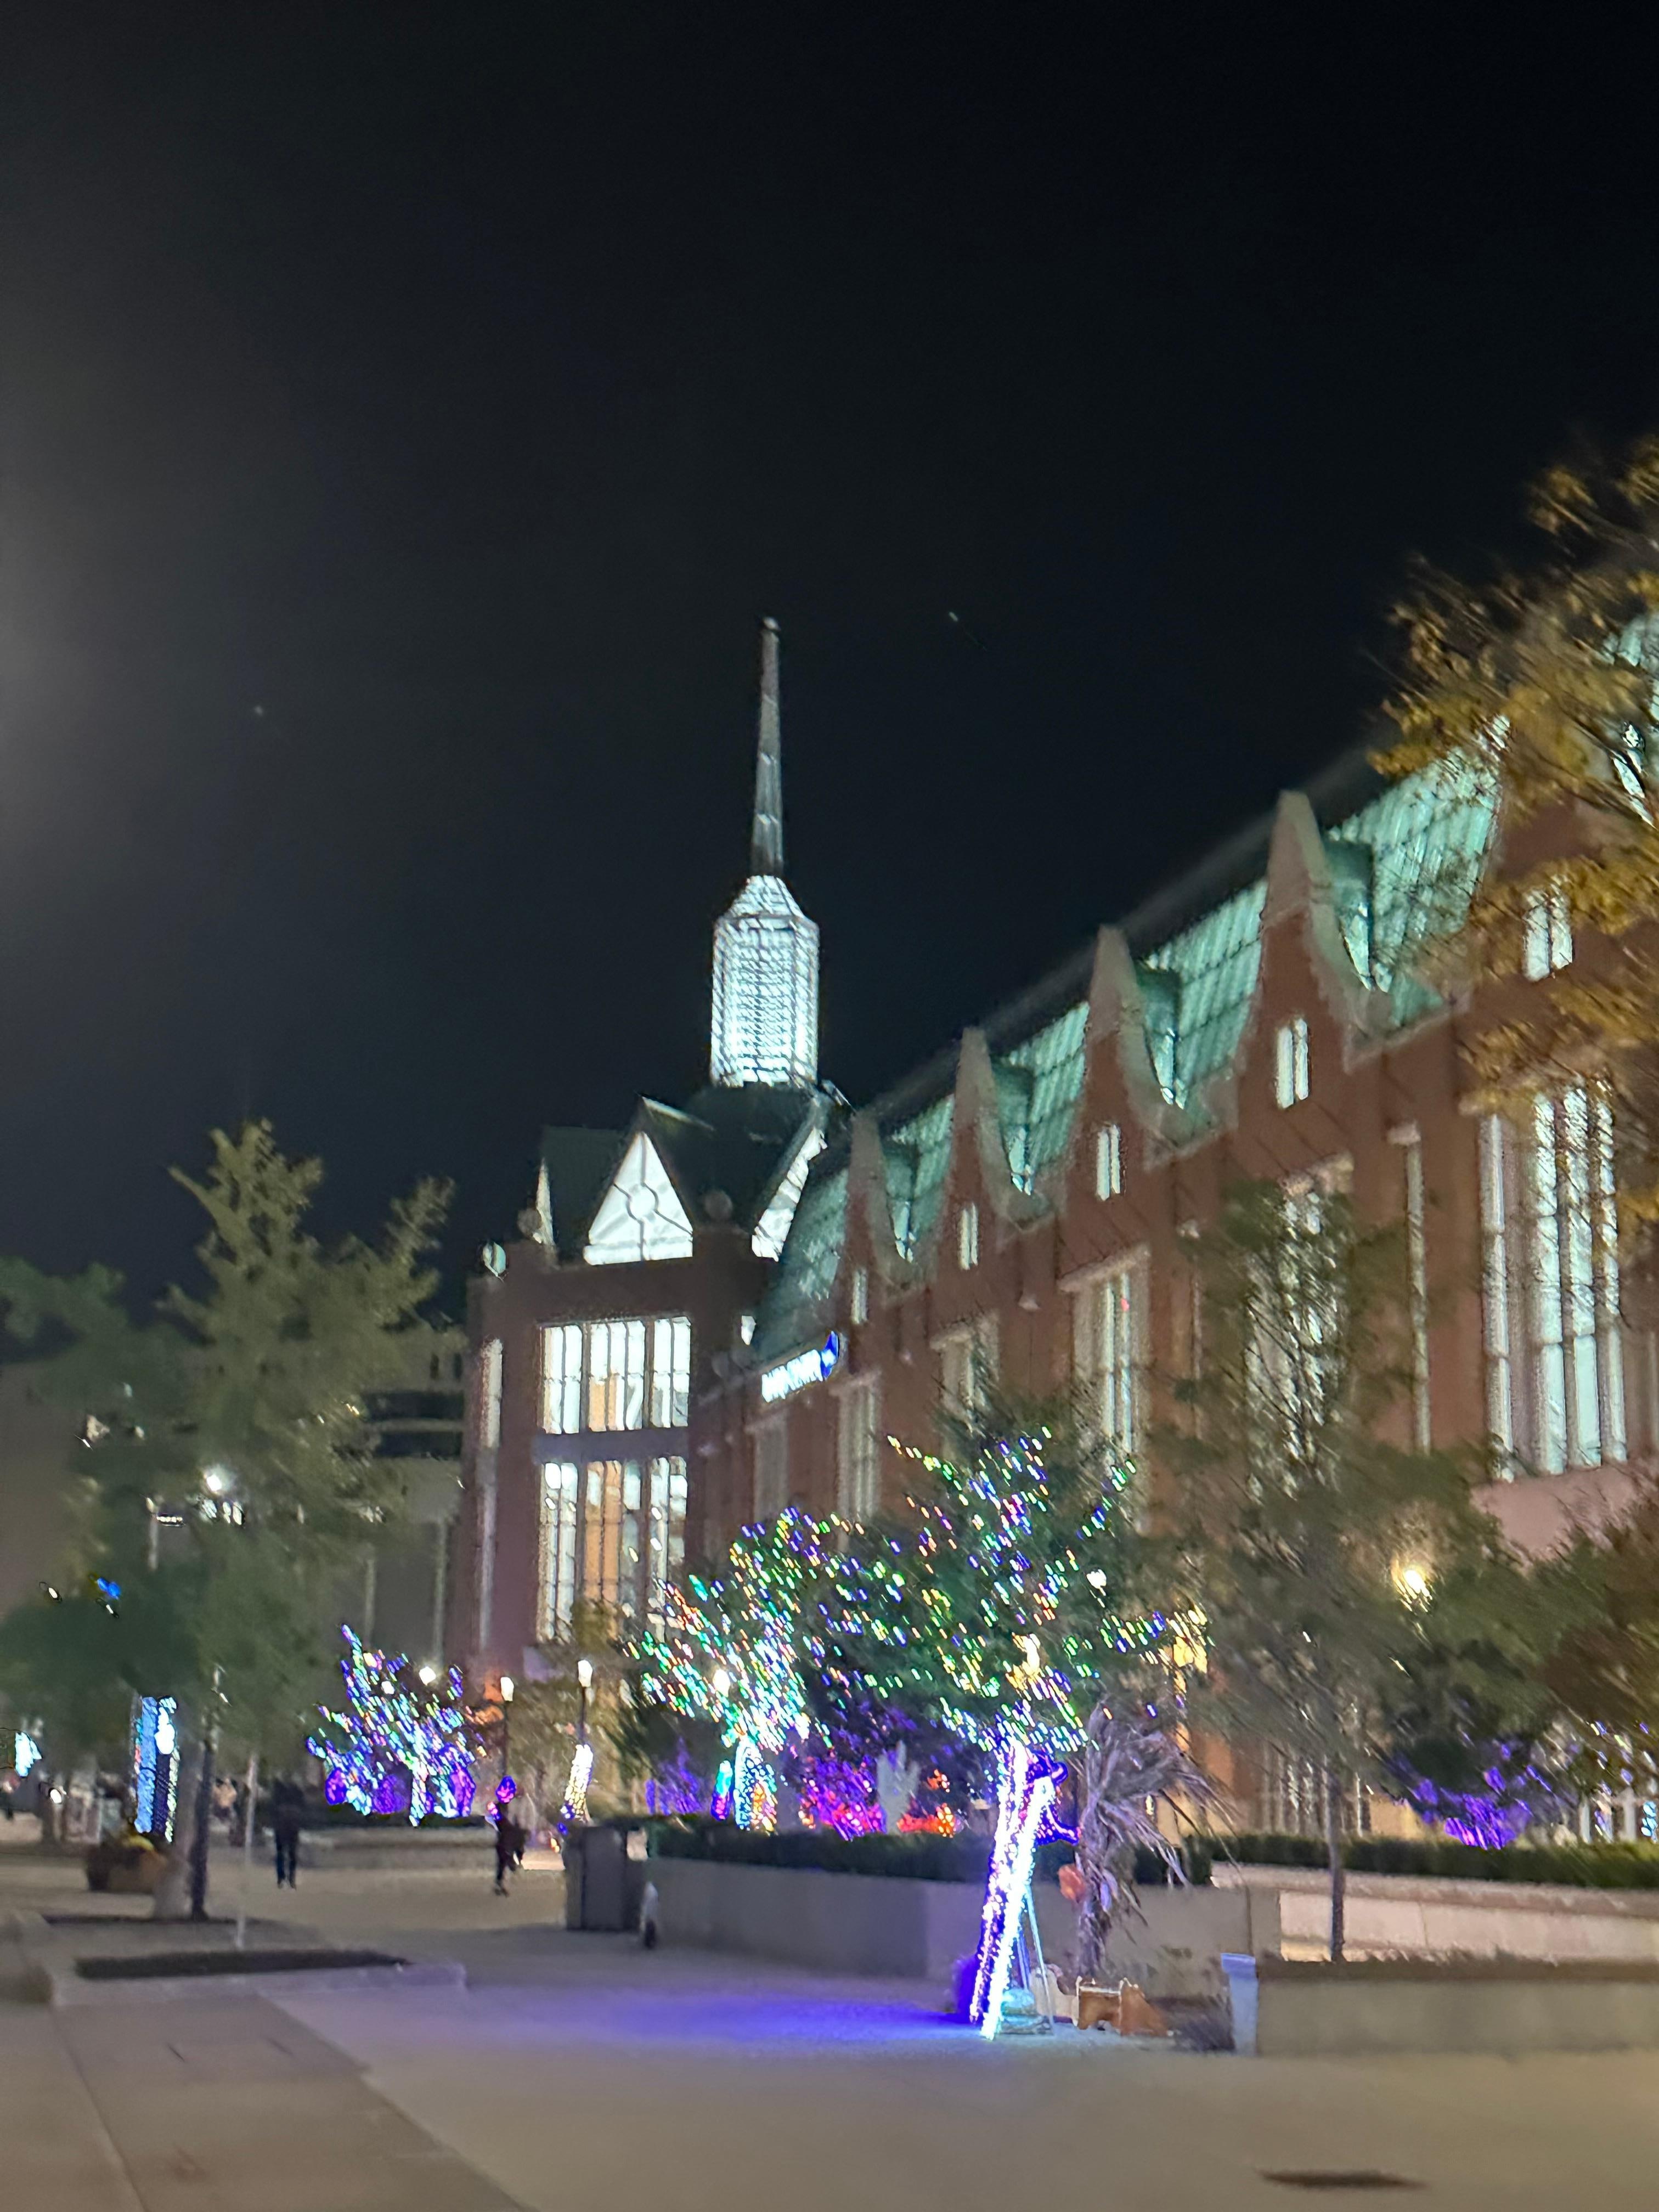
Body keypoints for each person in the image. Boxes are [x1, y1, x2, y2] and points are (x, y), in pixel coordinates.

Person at [270, 1775, 305, 1888]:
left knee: (281, 1853)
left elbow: (273, 1808)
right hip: (292, 1825)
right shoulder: (296, 1792)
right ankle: (291, 1879)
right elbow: (302, 1805)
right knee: (291, 1854)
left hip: (281, 1825)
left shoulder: (278, 1792)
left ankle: (282, 1878)